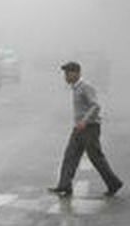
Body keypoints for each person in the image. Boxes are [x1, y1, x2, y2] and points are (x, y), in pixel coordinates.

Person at [48, 61, 123, 197]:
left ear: (76, 73)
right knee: (70, 156)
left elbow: (95, 106)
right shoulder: (75, 88)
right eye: (65, 73)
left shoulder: (85, 87)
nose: (65, 76)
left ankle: (114, 183)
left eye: (68, 73)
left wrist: (84, 121)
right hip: (79, 128)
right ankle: (64, 186)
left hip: (90, 128)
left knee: (96, 158)